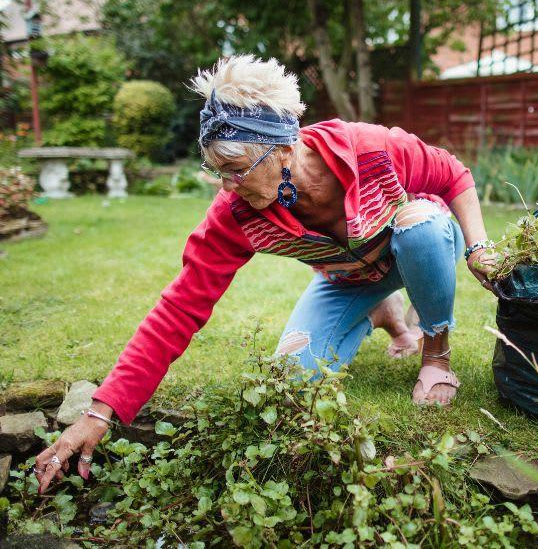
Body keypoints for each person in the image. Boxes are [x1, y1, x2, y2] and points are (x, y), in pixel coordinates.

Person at [31, 55, 498, 493]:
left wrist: (478, 247)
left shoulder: (370, 147)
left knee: (423, 226)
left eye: (235, 169)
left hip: (418, 246)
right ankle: (384, 313)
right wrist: (102, 411)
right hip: (347, 277)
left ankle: (435, 352)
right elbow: (179, 307)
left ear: (283, 149)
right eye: (216, 170)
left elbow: (453, 175)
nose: (227, 186)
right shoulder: (235, 212)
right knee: (291, 383)